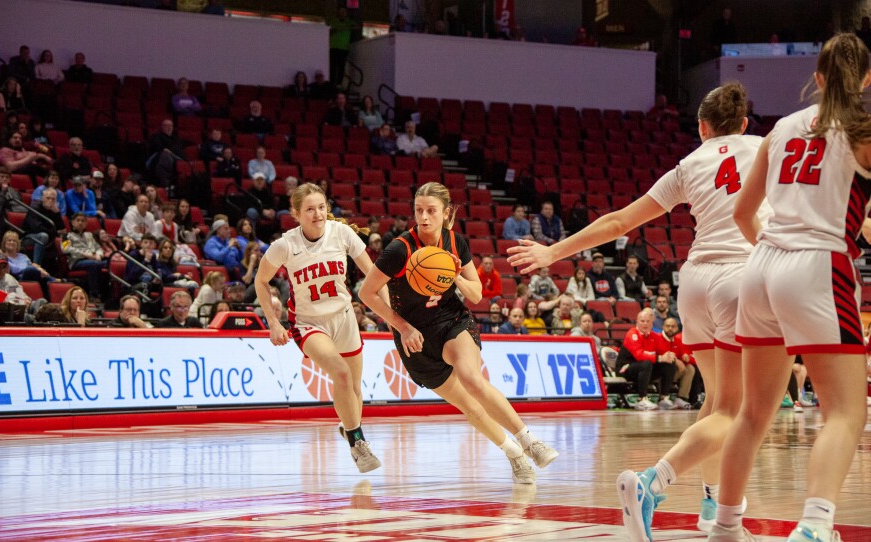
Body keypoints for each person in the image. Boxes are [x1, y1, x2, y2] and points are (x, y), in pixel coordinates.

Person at [505, 82, 767, 540]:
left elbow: (619, 222)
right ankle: (653, 482)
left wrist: (553, 253)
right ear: (745, 124)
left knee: (715, 400)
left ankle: (713, 503)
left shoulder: (691, 163)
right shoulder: (765, 147)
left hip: (695, 282)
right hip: (739, 276)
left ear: (702, 127)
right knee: (735, 408)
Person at [712, 35, 871, 542]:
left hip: (761, 264)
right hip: (818, 266)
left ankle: (725, 526)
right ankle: (816, 525)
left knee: (752, 412)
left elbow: (742, 212)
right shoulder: (866, 130)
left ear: (818, 77)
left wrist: (777, 261)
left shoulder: (780, 128)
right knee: (846, 412)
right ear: (866, 80)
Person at [359, 181, 559, 485]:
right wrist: (402, 326)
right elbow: (367, 293)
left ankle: (529, 441)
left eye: (431, 211)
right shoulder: (400, 248)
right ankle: (513, 454)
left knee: (472, 378)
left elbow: (477, 295)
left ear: (445, 212)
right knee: (469, 406)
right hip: (413, 333)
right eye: (418, 211)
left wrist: (455, 276)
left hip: (450, 318)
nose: (424, 217)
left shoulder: (455, 243)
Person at [254, 182, 384, 473]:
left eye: (322, 207)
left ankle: (347, 425)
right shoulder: (285, 245)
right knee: (340, 372)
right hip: (308, 322)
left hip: (345, 317)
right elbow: (260, 281)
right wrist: (273, 323)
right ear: (296, 214)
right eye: (310, 209)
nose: (317, 214)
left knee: (353, 387)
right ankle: (358, 442)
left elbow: (374, 275)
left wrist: (393, 315)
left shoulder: (342, 233)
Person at [63, 212, 107, 302]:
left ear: (86, 223)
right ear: (72, 222)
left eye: (83, 221)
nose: (80, 223)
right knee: (95, 264)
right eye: (78, 220)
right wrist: (84, 254)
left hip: (93, 260)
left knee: (108, 263)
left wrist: (99, 254)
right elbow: (66, 249)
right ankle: (93, 294)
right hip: (76, 261)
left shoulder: (89, 235)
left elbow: (98, 247)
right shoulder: (67, 235)